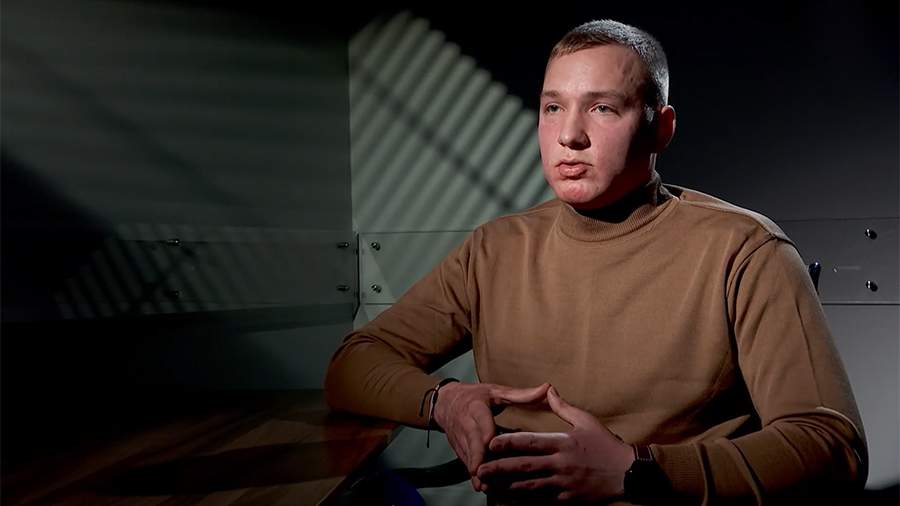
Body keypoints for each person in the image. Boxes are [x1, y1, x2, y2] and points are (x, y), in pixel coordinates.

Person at [325, 19, 867, 504]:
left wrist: (639, 471)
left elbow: (832, 445)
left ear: (661, 128)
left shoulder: (743, 250)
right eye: (553, 107)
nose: (569, 135)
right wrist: (443, 401)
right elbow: (353, 365)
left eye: (602, 108)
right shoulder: (495, 249)